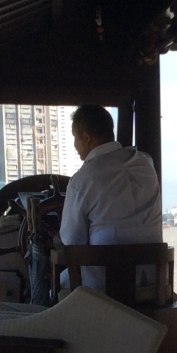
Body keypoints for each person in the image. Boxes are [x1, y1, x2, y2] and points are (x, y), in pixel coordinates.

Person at [58, 103, 163, 291]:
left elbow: (72, 243)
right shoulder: (146, 163)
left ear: (87, 138)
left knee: (52, 285)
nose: (74, 145)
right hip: (153, 284)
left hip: (103, 287)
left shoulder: (82, 180)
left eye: (75, 137)